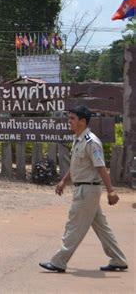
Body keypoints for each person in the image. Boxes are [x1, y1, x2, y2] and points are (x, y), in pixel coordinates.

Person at [40, 106, 128, 273]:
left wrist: (111, 191)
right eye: (69, 118)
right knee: (102, 228)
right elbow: (76, 166)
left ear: (83, 121)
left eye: (72, 118)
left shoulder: (91, 142)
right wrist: (64, 181)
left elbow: (101, 167)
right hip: (84, 189)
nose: (69, 122)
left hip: (87, 191)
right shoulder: (79, 139)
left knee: (73, 225)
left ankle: (59, 261)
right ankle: (118, 259)